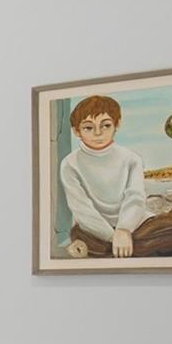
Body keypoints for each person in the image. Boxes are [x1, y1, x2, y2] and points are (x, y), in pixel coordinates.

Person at [59, 95, 150, 258]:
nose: (98, 133)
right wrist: (112, 236)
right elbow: (81, 208)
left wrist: (124, 229)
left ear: (117, 124)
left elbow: (135, 198)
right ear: (76, 131)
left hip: (134, 225)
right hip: (94, 231)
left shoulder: (131, 159)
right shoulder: (70, 164)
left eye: (106, 125)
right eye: (88, 128)